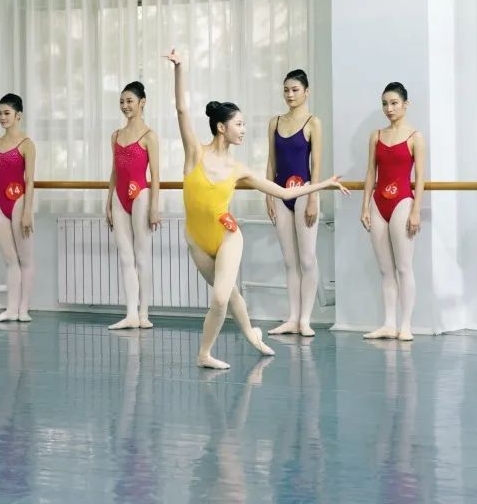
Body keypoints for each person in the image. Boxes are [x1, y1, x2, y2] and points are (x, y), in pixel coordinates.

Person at [166, 49, 348, 369]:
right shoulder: (195, 154)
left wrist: (322, 185)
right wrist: (179, 68)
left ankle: (205, 354)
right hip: (196, 240)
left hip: (227, 236)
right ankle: (252, 335)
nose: (243, 129)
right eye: (238, 124)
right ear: (221, 127)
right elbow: (181, 109)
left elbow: (282, 191)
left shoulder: (239, 169)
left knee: (220, 297)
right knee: (230, 294)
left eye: (244, 124)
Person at [360, 83, 426, 342]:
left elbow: (420, 176)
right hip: (378, 204)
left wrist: (416, 210)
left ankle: (406, 324)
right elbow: (370, 172)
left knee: (404, 267)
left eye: (394, 103)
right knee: (385, 269)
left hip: (403, 203)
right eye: (385, 104)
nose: (389, 108)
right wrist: (365, 205)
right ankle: (389, 324)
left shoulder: (415, 137)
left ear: (406, 104)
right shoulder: (376, 135)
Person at [265, 69, 323, 337]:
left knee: (307, 259)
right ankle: (292, 317)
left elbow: (316, 165)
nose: (290, 94)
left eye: (295, 90)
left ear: (306, 92)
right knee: (290, 260)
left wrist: (312, 198)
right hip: (280, 193)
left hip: (304, 192)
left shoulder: (313, 123)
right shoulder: (275, 122)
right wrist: (268, 194)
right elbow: (271, 162)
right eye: (286, 90)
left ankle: (305, 320)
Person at [107, 81, 161, 330]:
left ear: (142, 102)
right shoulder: (115, 136)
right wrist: (108, 202)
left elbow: (156, 175)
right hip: (119, 197)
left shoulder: (150, 136)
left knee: (142, 255)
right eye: (122, 101)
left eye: (129, 101)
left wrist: (154, 208)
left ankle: (144, 313)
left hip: (141, 195)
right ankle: (130, 313)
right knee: (125, 256)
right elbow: (114, 172)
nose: (125, 105)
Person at [0, 93, 37, 324]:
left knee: (25, 259)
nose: (2, 117)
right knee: (10, 260)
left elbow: (30, 181)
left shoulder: (27, 144)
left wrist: (27, 211)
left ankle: (23, 309)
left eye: (6, 113)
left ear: (18, 115)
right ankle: (10, 309)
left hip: (19, 203)